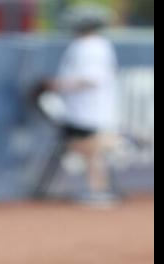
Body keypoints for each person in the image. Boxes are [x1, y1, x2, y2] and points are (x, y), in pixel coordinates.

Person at [41, 3, 119, 206]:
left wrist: (57, 85)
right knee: (87, 150)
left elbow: (91, 79)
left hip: (89, 110)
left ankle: (99, 192)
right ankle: (98, 189)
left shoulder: (90, 47)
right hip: (82, 109)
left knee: (91, 151)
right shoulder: (95, 45)